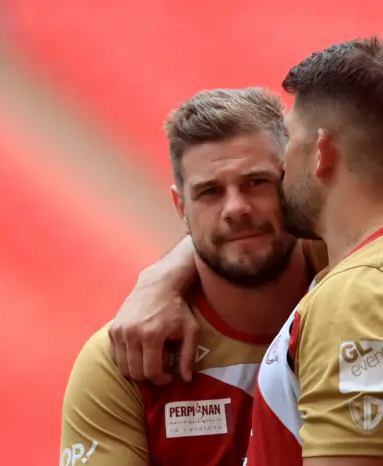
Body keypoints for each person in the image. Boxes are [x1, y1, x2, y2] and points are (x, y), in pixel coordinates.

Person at [109, 37, 383, 466]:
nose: (282, 169)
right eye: (210, 192)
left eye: (290, 143)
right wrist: (161, 275)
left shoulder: (361, 296)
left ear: (322, 152)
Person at [60, 88, 317, 466]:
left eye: (256, 182)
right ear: (181, 208)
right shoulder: (121, 363)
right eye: (210, 192)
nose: (236, 208)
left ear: (293, 182)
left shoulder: (357, 289)